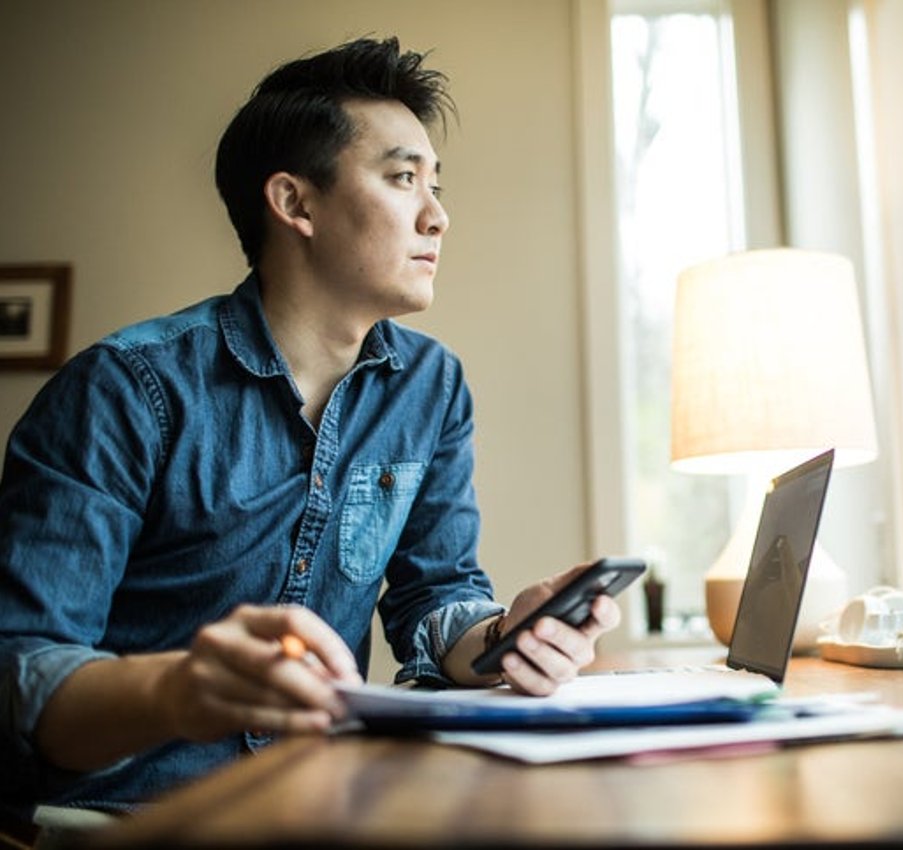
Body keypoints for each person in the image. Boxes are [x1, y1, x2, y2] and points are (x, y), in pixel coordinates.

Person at [0, 36, 620, 815]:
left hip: (324, 802)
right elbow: (21, 673)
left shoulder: (431, 387)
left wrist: (505, 637)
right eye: (403, 180)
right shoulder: (123, 390)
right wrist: (178, 688)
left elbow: (434, 601)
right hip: (127, 819)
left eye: (436, 185)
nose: (438, 216)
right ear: (294, 203)